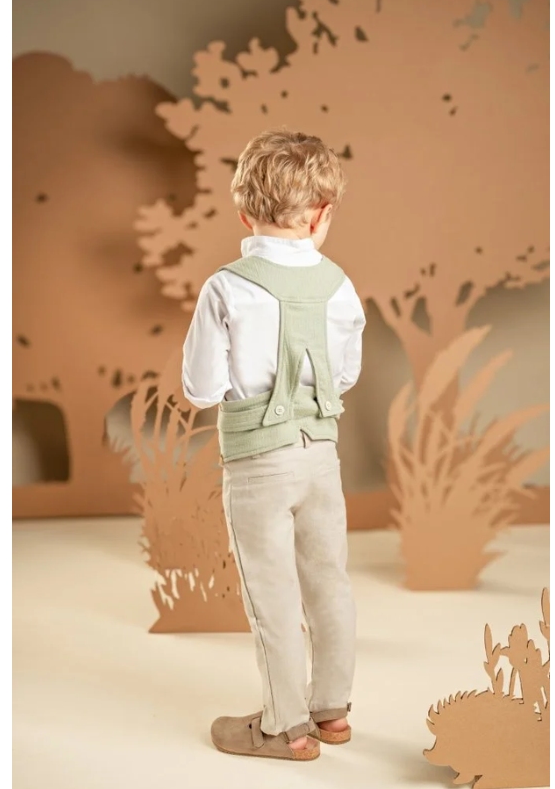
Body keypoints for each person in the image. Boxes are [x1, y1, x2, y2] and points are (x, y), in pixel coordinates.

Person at [181, 129, 366, 762]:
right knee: (329, 583)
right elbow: (345, 377)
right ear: (322, 214)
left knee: (272, 596)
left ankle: (284, 727)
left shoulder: (226, 287)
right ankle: (332, 711)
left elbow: (202, 389)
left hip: (258, 464)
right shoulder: (340, 286)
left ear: (244, 213)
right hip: (321, 458)